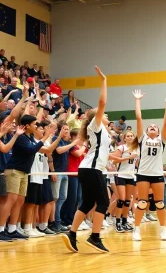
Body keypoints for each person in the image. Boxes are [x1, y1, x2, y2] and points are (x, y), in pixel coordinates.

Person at [62, 66, 112, 253]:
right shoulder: (96, 124)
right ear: (96, 116)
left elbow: (103, 151)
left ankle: (72, 234)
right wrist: (104, 81)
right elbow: (102, 102)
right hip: (91, 169)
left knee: (88, 203)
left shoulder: (103, 132)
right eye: (102, 112)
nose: (105, 114)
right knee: (104, 203)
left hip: (88, 168)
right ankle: (95, 236)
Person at [132, 89, 166, 241]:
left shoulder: (161, 140)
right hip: (143, 173)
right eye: (150, 126)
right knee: (142, 202)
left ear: (157, 132)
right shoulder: (142, 138)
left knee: (160, 203)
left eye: (154, 127)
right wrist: (138, 100)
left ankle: (163, 230)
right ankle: (136, 230)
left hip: (157, 174)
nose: (152, 127)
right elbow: (138, 118)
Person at [112, 130, 139, 233]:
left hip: (130, 176)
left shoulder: (136, 149)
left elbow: (135, 163)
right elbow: (114, 161)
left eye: (132, 136)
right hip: (121, 175)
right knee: (121, 199)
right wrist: (128, 157)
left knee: (128, 200)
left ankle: (124, 221)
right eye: (128, 136)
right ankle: (117, 221)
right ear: (124, 138)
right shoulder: (121, 148)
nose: (130, 137)